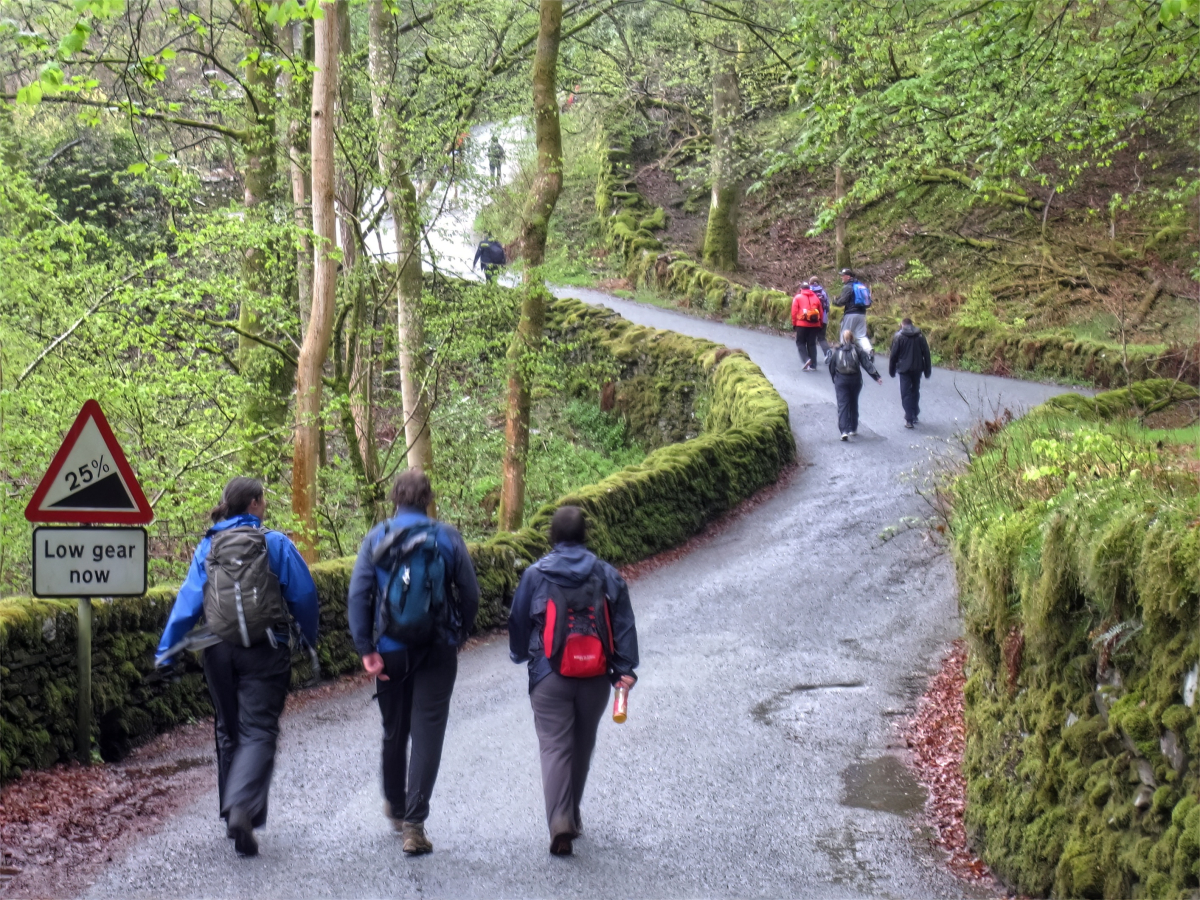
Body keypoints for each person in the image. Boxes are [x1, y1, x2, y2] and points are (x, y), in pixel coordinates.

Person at [156, 477, 319, 858]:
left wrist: (166, 650)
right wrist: (309, 637)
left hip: (217, 651)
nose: (265, 504)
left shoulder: (208, 546)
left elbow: (188, 602)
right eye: (263, 499)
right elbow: (304, 594)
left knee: (229, 729)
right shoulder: (273, 543)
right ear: (255, 503)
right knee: (259, 729)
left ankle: (231, 811)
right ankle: (243, 807)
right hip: (265, 648)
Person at [347, 469, 479, 856]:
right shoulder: (448, 537)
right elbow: (470, 594)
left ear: (394, 499)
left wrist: (366, 649)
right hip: (437, 647)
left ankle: (395, 803)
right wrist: (459, 635)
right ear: (428, 499)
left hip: (389, 648)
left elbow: (358, 595)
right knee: (428, 733)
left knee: (394, 728)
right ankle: (414, 826)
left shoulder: (376, 536)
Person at [508, 506, 639, 857]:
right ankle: (572, 812)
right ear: (585, 536)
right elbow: (623, 622)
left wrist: (522, 655)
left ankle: (560, 821)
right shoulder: (606, 574)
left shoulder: (535, 574)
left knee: (554, 746)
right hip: (596, 675)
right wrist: (625, 669)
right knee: (581, 744)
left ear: (552, 537)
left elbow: (518, 620)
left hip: (548, 674)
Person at [829, 328, 883, 440]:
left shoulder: (837, 351)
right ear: (852, 338)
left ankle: (843, 431)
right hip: (855, 380)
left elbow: (832, 367)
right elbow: (866, 364)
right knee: (853, 403)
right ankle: (853, 428)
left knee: (843, 405)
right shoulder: (858, 350)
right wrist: (876, 377)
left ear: (842, 339)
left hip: (841, 380)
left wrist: (835, 378)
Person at [889, 317, 932, 428]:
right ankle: (914, 413)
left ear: (902, 325)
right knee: (915, 390)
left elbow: (893, 355)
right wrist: (927, 370)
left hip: (904, 369)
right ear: (911, 325)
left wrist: (892, 369)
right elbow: (926, 354)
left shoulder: (899, 337)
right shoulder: (920, 336)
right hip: (917, 367)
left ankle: (909, 418)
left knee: (905, 393)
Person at [833, 269, 874, 358]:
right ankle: (869, 351)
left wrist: (835, 301)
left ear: (848, 277)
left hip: (850, 313)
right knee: (861, 335)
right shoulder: (860, 285)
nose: (841, 277)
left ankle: (843, 354)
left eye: (843, 275)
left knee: (844, 333)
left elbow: (843, 301)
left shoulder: (848, 287)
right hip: (862, 314)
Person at [790, 282, 825, 372]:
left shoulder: (797, 298)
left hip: (802, 324)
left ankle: (806, 359)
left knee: (800, 342)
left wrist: (794, 323)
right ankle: (813, 365)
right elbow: (821, 312)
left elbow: (794, 312)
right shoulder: (816, 298)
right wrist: (820, 323)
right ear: (809, 289)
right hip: (814, 324)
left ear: (801, 289)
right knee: (812, 344)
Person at [808, 277, 832, 360]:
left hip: (811, 318)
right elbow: (827, 306)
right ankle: (827, 351)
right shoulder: (823, 292)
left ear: (810, 283)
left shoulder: (808, 291)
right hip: (823, 318)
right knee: (821, 338)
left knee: (811, 338)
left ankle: (811, 357)